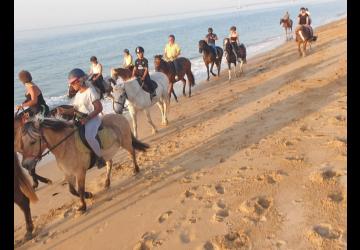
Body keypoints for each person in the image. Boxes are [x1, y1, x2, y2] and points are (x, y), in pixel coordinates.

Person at [68, 68, 106, 168]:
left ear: (80, 81)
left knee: (89, 136)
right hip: (81, 120)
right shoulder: (78, 95)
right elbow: (74, 110)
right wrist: (63, 111)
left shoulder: (90, 91)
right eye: (71, 84)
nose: (71, 86)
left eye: (73, 83)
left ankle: (99, 158)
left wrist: (87, 119)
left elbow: (99, 108)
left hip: (92, 119)